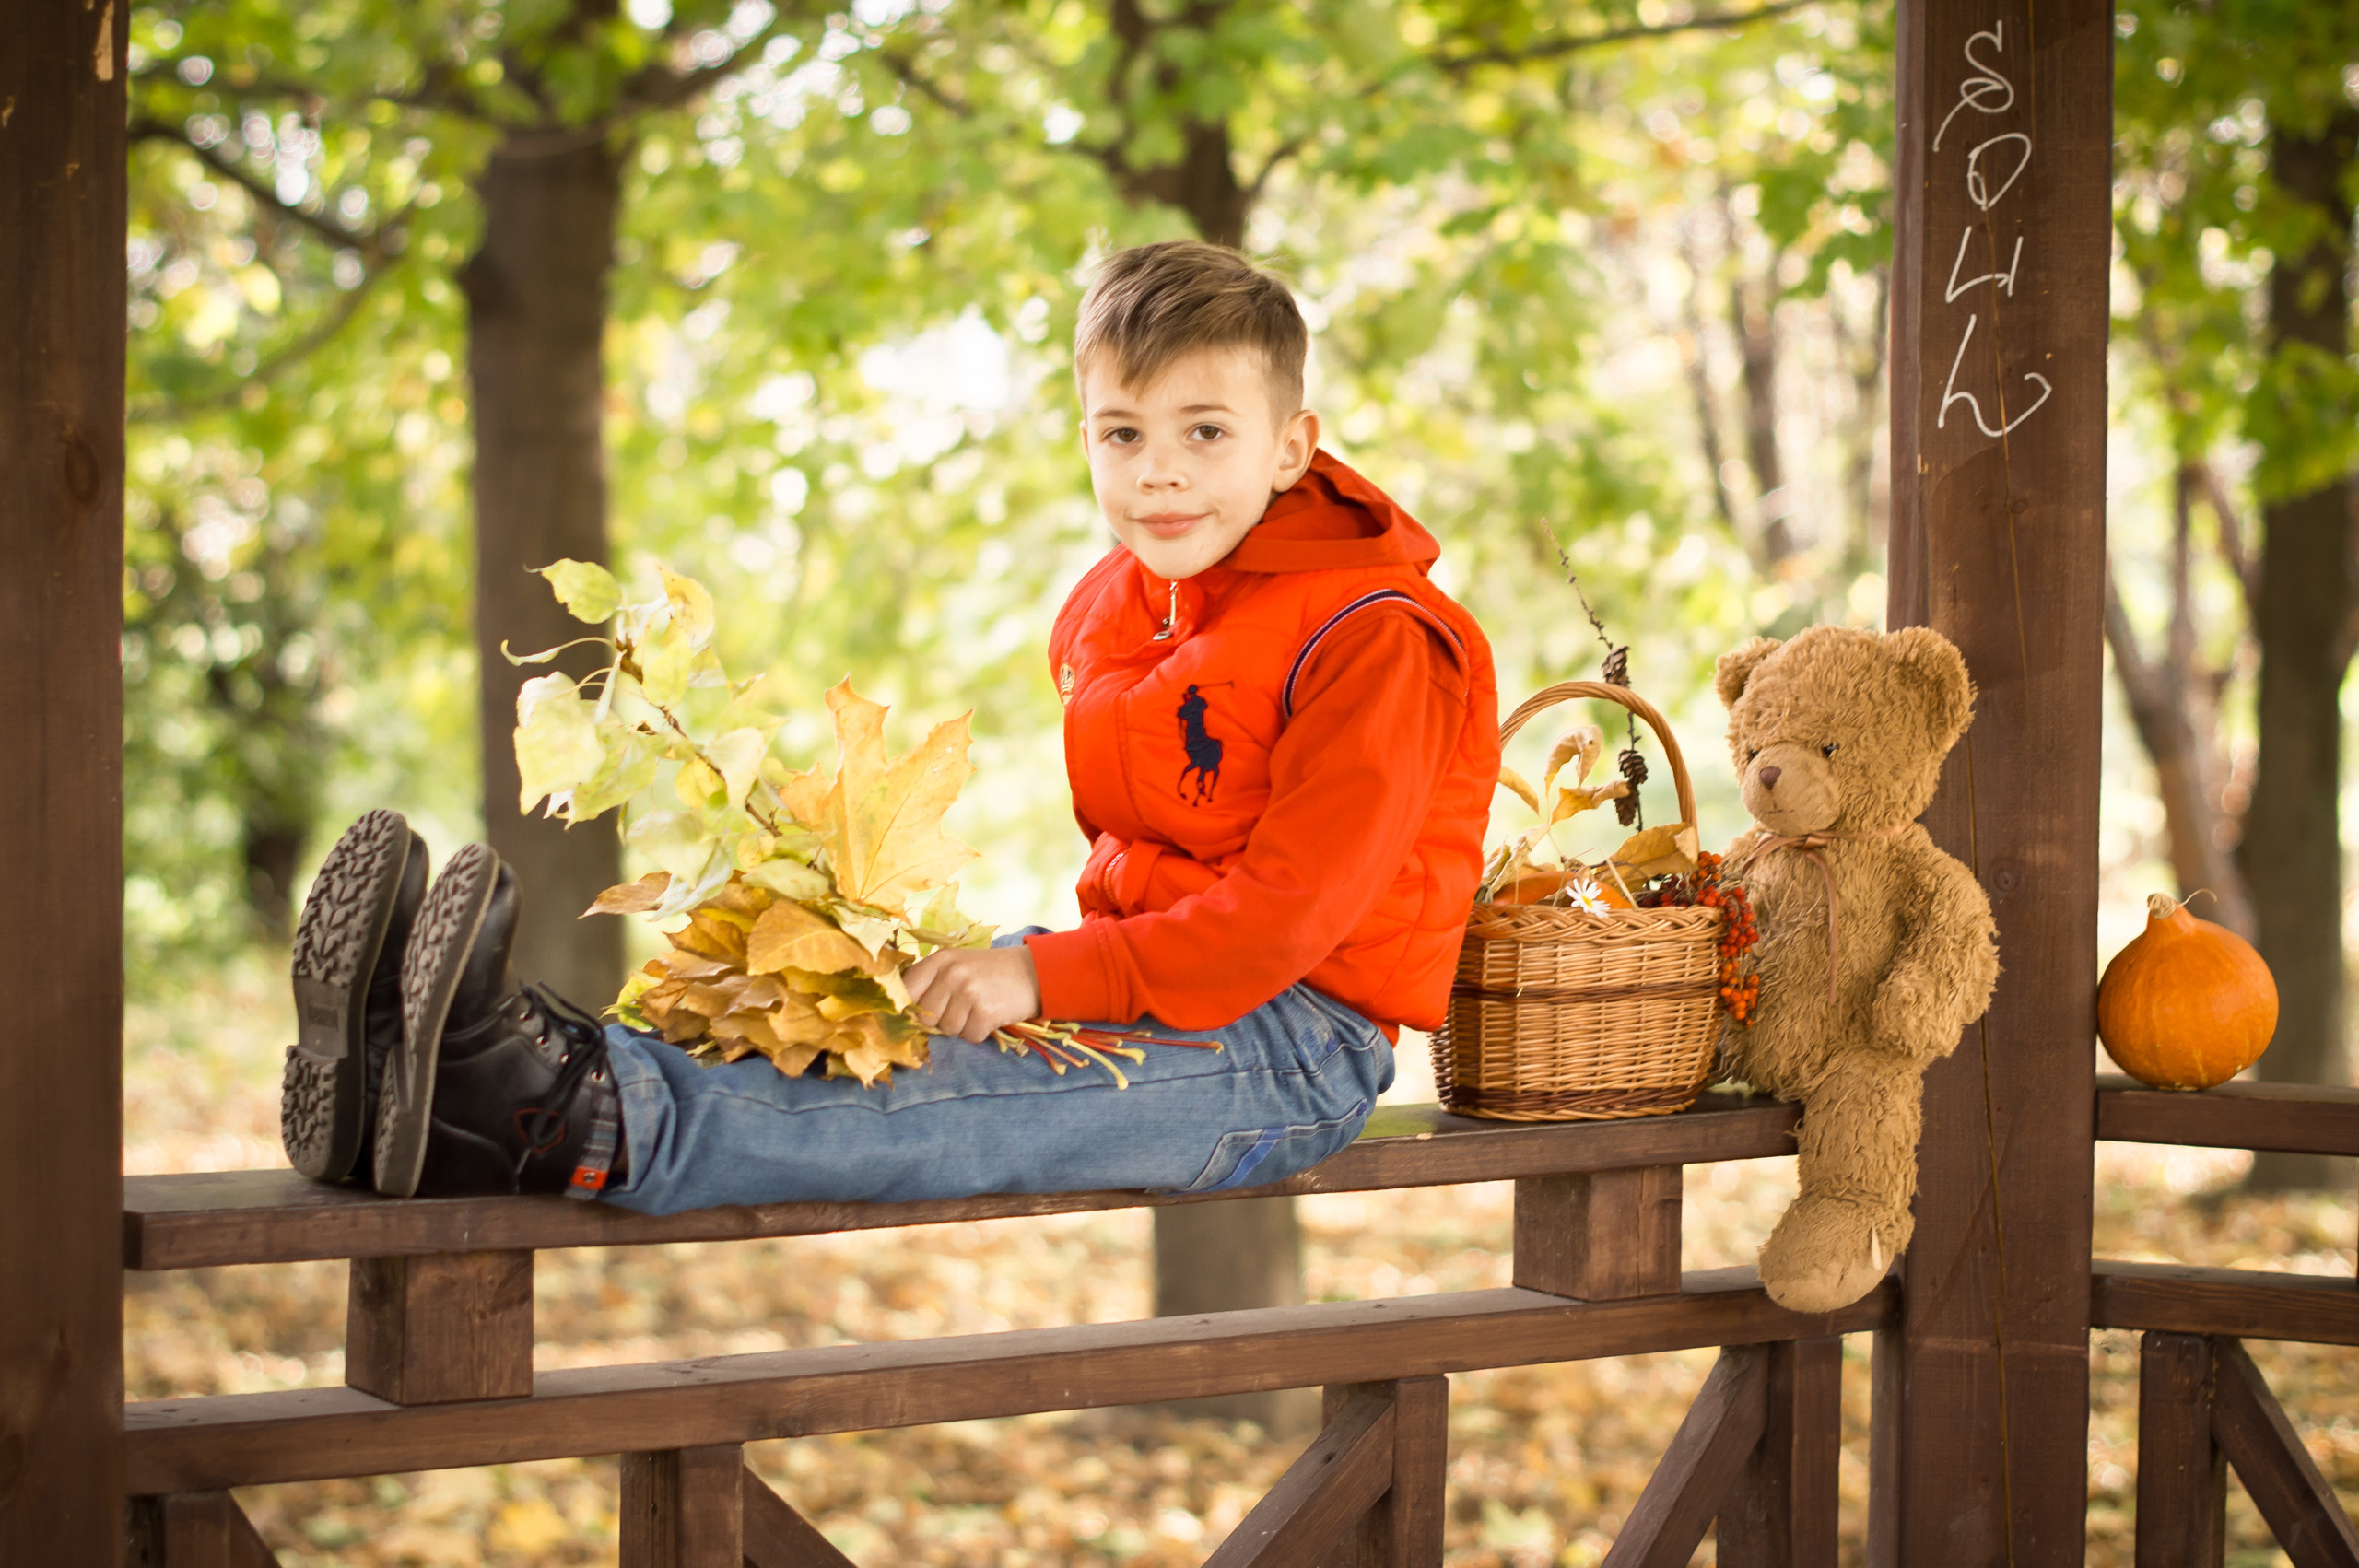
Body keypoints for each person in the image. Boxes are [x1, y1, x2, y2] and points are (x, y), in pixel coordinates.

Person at [282, 241, 1500, 1215]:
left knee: (956, 1094)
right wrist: (1029, 966)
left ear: (1293, 447)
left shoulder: (1379, 638)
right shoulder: (1122, 607)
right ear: (1085, 438)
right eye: (1122, 433)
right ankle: (429, 1076)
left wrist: (1042, 971)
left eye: (1207, 432)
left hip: (1293, 1045)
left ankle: (573, 1114)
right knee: (870, 1003)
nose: (1159, 473)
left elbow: (1283, 920)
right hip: (1167, 986)